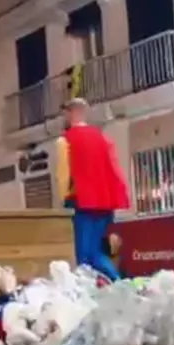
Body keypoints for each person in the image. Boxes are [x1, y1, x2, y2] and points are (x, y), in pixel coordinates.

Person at [54, 98, 130, 281]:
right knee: (94, 251)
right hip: (105, 203)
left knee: (84, 256)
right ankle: (117, 283)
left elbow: (63, 175)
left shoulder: (65, 141)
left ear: (71, 113)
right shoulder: (103, 138)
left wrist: (63, 201)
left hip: (82, 202)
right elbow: (114, 169)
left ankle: (117, 283)